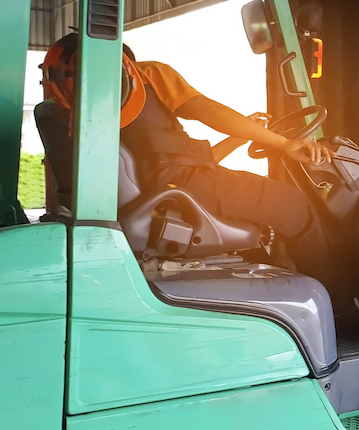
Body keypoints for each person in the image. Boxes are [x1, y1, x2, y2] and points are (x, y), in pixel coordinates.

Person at [42, 32, 340, 293]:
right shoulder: (146, 75)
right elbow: (205, 111)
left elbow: (175, 165)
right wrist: (284, 144)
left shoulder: (77, 111)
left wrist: (244, 138)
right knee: (294, 206)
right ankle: (337, 305)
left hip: (169, 191)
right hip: (184, 188)